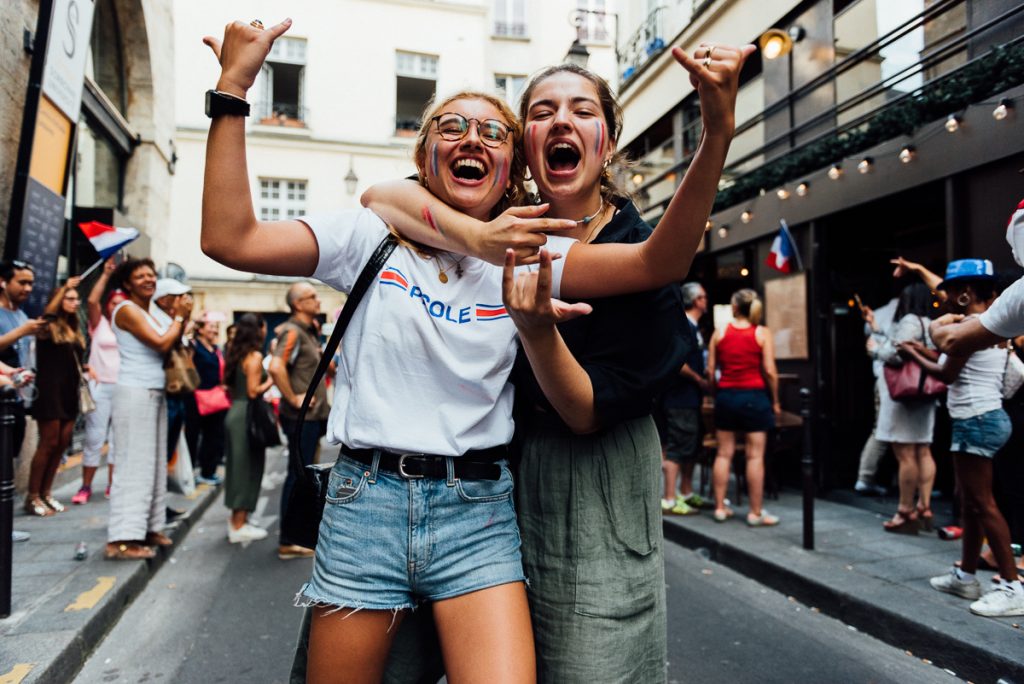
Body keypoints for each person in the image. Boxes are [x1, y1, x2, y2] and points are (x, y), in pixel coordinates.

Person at [202, 18, 748, 682]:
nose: (472, 140)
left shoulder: (530, 252)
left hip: (479, 508)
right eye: (451, 128)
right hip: (365, 500)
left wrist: (717, 132)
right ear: (423, 151)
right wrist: (232, 91)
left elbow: (658, 261)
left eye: (493, 133)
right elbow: (231, 239)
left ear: (511, 165)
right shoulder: (371, 234)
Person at [901, 259, 1024, 617]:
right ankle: (966, 575)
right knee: (970, 502)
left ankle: (1012, 585)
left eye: (949, 292)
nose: (945, 298)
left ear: (965, 294)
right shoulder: (994, 326)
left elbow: (947, 373)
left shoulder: (970, 329)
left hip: (975, 418)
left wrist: (911, 352)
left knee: (983, 503)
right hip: (986, 417)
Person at [105, 258, 192, 560]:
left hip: (155, 391)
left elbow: (174, 341)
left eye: (151, 275)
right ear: (127, 283)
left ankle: (149, 527)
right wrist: (179, 319)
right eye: (140, 276)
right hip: (134, 391)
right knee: (134, 465)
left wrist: (179, 319)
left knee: (155, 465)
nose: (148, 280)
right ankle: (121, 539)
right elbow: (160, 342)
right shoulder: (126, 310)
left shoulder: (152, 310)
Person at [706, 288, 780, 527]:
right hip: (754, 397)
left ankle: (719, 508)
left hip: (726, 397)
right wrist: (776, 401)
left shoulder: (720, 333)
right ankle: (755, 513)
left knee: (723, 453)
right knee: (755, 455)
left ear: (735, 307)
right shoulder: (761, 332)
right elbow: (769, 370)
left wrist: (717, 393)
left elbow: (710, 371)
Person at [268, 281, 328, 560]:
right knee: (298, 475)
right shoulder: (291, 331)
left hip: (313, 417)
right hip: (300, 417)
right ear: (297, 304)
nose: (317, 300)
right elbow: (277, 366)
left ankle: (298, 535)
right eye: (311, 296)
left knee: (305, 474)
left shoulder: (308, 331)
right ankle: (288, 540)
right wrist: (293, 398)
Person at [874, 282, 939, 534]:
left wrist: (877, 351)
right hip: (925, 393)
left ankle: (905, 510)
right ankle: (925, 507)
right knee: (923, 448)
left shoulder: (910, 320)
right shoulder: (932, 322)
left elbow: (897, 353)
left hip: (905, 394)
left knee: (905, 452)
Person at [24, 277, 85, 516]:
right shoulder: (48, 327)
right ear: (58, 301)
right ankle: (32, 496)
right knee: (48, 442)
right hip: (50, 390)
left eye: (75, 298)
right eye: (69, 298)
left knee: (62, 443)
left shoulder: (73, 327)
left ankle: (46, 493)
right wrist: (65, 288)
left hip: (70, 390)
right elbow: (48, 316)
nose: (74, 302)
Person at [932, 200, 1024, 353]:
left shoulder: (1015, 302)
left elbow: (950, 341)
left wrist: (933, 328)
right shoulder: (1005, 312)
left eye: (950, 291)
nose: (946, 298)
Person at [223, 313, 273, 543]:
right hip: (247, 415)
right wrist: (271, 379)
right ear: (258, 330)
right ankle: (238, 525)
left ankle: (239, 519)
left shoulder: (235, 353)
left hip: (237, 411)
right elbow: (254, 391)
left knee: (239, 467)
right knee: (246, 469)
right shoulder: (253, 356)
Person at [660, 282, 708, 515]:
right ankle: (669, 498)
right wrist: (699, 379)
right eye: (703, 297)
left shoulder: (694, 327)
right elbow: (678, 362)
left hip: (690, 397)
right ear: (696, 300)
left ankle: (686, 492)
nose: (706, 301)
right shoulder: (685, 326)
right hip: (680, 397)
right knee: (678, 447)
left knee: (691, 446)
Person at [74, 258, 119, 504]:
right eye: (114, 303)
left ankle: (113, 485)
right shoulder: (99, 324)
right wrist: (105, 275)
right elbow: (91, 301)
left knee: (117, 440)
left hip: (121, 387)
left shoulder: (130, 327)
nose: (117, 307)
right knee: (94, 437)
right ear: (108, 305)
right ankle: (86, 486)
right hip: (100, 386)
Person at [853, 295, 897, 496]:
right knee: (884, 430)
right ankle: (866, 476)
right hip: (893, 379)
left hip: (881, 378)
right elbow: (891, 352)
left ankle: (867, 476)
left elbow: (868, 338)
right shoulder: (908, 319)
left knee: (887, 430)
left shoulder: (878, 314)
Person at [189, 314, 228, 483]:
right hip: (196, 397)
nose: (214, 330)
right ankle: (188, 474)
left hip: (214, 397)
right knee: (193, 436)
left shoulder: (216, 349)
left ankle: (208, 471)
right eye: (211, 326)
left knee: (213, 436)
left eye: (216, 327)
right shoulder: (193, 346)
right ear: (200, 329)